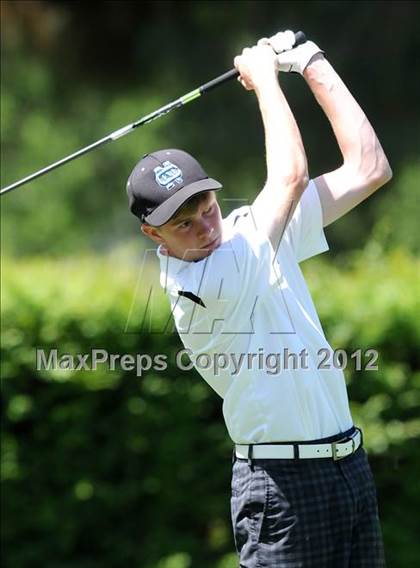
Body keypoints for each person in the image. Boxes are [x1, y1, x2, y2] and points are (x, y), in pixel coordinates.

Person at [126, 30, 392, 567]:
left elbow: (369, 169)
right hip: (282, 489)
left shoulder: (250, 231)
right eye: (183, 222)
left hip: (349, 466)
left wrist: (311, 63)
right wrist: (265, 80)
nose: (204, 227)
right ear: (155, 235)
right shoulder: (199, 287)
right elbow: (290, 176)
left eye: (206, 206)